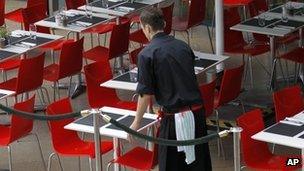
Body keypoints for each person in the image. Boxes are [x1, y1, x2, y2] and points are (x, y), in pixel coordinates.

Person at [128, 8, 212, 171]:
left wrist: (136, 123)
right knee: (200, 165)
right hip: (197, 115)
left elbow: (145, 94)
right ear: (164, 24)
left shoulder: (146, 55)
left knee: (169, 165)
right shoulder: (183, 46)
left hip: (173, 119)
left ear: (147, 28)